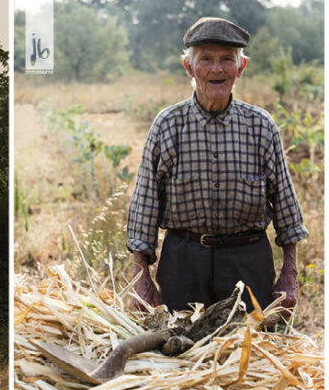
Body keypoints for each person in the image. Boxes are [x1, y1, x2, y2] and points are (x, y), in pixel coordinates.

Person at [126, 17, 307, 317]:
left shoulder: (261, 126)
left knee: (248, 356)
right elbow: (145, 204)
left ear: (241, 68)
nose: (217, 69)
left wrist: (290, 274)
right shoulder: (168, 124)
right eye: (206, 60)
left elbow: (287, 208)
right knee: (179, 353)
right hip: (183, 263)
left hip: (248, 264)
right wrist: (141, 277)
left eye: (226, 60)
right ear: (189, 67)